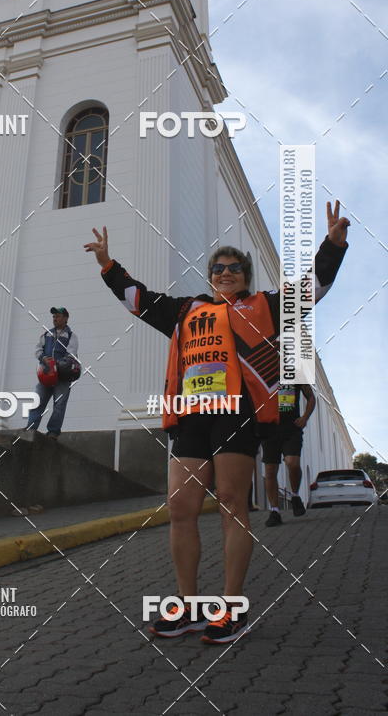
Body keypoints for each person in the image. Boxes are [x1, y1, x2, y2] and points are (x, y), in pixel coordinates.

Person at [85, 201, 349, 644]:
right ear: (210, 276)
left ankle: (231, 609)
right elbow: (138, 300)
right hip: (190, 419)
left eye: (235, 269)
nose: (226, 273)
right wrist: (108, 264)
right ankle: (187, 608)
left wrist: (333, 246)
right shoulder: (187, 310)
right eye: (218, 269)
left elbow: (313, 289)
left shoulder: (263, 306)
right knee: (182, 508)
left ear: (246, 277)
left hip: (236, 414)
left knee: (231, 503)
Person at [263, 383, 316, 525]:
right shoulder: (263, 370)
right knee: (270, 470)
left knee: (292, 463)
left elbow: (311, 397)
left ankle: (295, 495)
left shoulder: (295, 369)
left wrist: (305, 417)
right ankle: (274, 511)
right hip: (269, 428)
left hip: (292, 427)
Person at [26, 307, 79, 438]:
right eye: (54, 316)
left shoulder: (71, 336)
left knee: (59, 405)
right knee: (37, 401)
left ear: (66, 318)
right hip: (46, 375)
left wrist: (58, 363)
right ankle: (31, 428)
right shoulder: (47, 334)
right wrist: (43, 358)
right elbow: (38, 349)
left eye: (58, 316)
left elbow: (71, 354)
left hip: (62, 377)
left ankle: (53, 431)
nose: (55, 319)